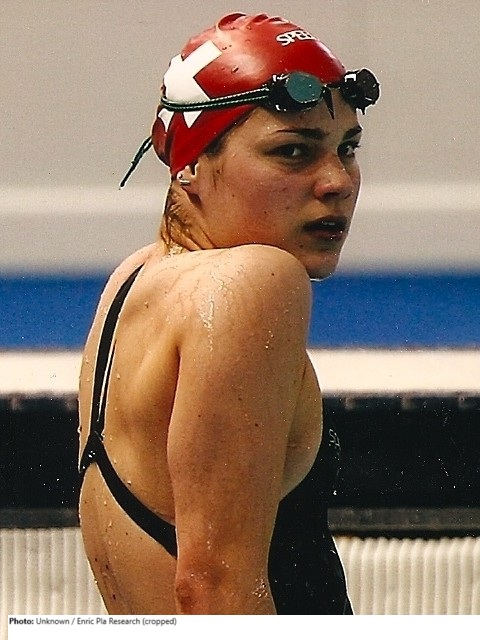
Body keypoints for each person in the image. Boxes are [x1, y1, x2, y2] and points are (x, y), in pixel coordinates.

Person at [78, 12, 379, 615]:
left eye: (346, 149)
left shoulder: (133, 281)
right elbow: (214, 588)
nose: (337, 182)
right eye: (292, 152)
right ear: (189, 164)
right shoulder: (254, 284)